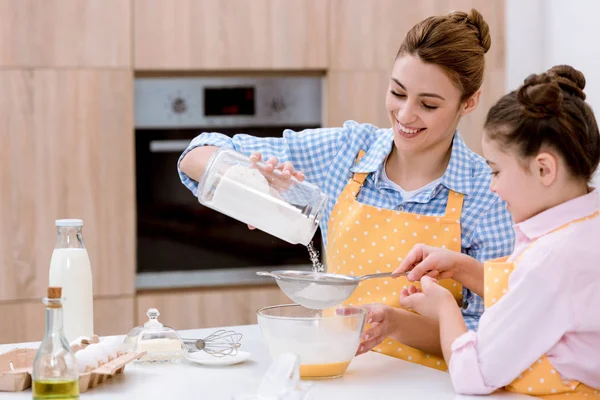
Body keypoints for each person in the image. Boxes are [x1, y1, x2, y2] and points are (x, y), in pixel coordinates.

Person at [178, 9, 515, 371]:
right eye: (397, 92)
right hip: (339, 375)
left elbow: (490, 333)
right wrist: (252, 185)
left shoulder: (489, 193)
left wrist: (397, 323)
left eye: (428, 104)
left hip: (438, 386)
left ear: (470, 102)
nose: (405, 114)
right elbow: (194, 156)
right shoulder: (345, 152)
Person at [396, 65, 600, 397]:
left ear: (543, 168)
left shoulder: (552, 260)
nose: (493, 188)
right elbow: (541, 301)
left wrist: (445, 308)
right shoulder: (586, 228)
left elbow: (473, 373)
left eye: (496, 171)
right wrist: (461, 268)